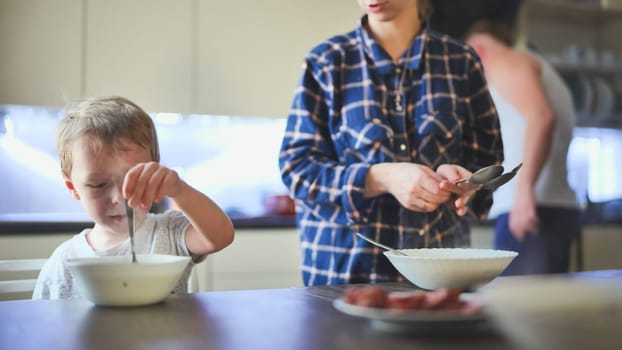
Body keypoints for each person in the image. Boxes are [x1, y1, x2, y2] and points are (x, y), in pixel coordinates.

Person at [278, 0, 503, 286]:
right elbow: (297, 169)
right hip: (345, 273)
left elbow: (489, 159)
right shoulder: (327, 60)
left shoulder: (461, 61)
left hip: (441, 272)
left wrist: (466, 181)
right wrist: (380, 177)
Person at [33, 96, 235, 299]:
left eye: (134, 179)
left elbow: (221, 236)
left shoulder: (168, 232)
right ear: (72, 186)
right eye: (98, 184)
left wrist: (178, 189)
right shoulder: (64, 263)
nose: (119, 198)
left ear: (153, 171)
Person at [465, 20, 581, 275]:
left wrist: (524, 191)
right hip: (544, 206)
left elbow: (541, 117)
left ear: (478, 49)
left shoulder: (506, 61)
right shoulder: (531, 65)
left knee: (519, 308)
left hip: (529, 208)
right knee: (540, 308)